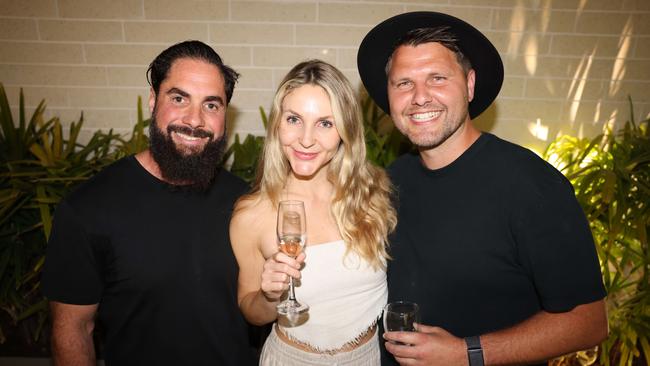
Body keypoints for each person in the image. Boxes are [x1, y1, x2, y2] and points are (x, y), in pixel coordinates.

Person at [357, 11, 608, 366]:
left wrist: (467, 353)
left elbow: (589, 322)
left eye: (437, 78)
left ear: (470, 84)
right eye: (404, 83)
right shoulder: (390, 181)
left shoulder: (532, 186)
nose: (419, 97)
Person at [41, 40, 257, 366]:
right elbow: (73, 328)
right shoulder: (88, 208)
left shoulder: (246, 202)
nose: (195, 119)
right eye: (179, 98)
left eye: (212, 105)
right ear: (153, 101)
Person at [230, 59, 396, 365]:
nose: (306, 139)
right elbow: (252, 312)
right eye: (294, 119)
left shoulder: (372, 194)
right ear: (277, 123)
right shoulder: (251, 214)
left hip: (367, 358)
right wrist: (269, 296)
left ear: (345, 131)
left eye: (325, 123)